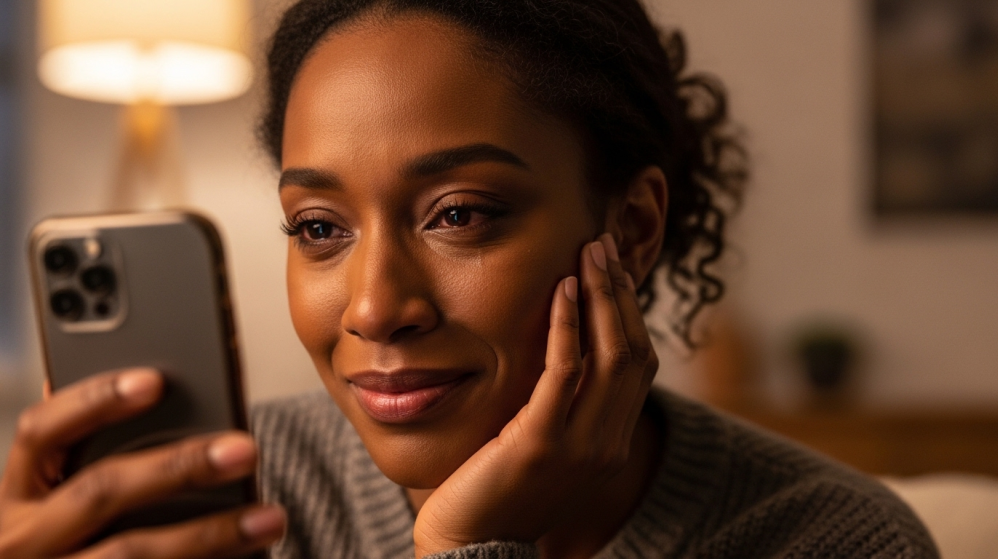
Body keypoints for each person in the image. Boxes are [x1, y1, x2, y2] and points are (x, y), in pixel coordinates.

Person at [0, 0, 940, 557]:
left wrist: (465, 547)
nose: (374, 307)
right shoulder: (238, 501)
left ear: (633, 226)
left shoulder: (824, 537)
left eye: (458, 214)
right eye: (318, 227)